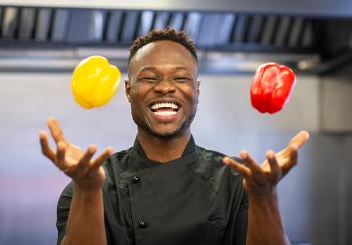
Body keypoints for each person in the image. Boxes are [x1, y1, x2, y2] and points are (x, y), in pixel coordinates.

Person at [39, 28, 310, 245]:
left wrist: (265, 196)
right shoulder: (88, 186)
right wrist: (87, 191)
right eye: (149, 78)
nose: (165, 88)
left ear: (197, 90)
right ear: (129, 91)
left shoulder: (238, 181)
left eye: (180, 78)